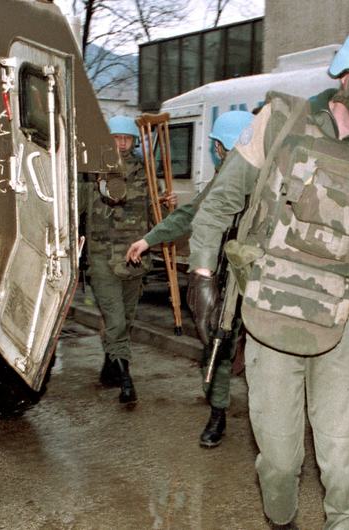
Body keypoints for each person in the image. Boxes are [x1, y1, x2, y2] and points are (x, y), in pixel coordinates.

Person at [185, 22, 349, 529]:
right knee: (281, 464)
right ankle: (282, 522)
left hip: (340, 321)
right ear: (347, 75)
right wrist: (202, 273)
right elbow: (221, 200)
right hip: (269, 313)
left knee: (340, 463)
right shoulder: (281, 121)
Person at [125, 110, 254, 448]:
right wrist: (151, 238)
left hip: (259, 281)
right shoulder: (223, 179)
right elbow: (189, 216)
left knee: (249, 351)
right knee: (218, 344)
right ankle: (218, 412)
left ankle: (260, 418)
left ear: (223, 146)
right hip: (227, 278)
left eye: (218, 146)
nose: (217, 152)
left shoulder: (265, 178)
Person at [85, 115, 155, 406]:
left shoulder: (146, 171)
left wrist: (163, 202)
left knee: (125, 319)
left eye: (126, 138)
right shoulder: (95, 170)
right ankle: (126, 380)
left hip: (133, 256)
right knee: (114, 320)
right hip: (103, 256)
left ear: (134, 141)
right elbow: (112, 195)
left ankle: (109, 368)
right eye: (116, 138)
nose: (122, 143)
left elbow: (150, 213)